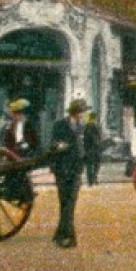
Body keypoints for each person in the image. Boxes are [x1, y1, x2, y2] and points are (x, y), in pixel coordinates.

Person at [48, 95, 87, 249]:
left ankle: (66, 235)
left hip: (76, 169)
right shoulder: (59, 125)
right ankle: (65, 234)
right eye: (80, 112)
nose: (81, 115)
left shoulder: (82, 126)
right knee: (65, 203)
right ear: (74, 113)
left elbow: (83, 146)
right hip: (62, 169)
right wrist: (59, 146)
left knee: (70, 203)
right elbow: (53, 144)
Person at [0, 98, 38, 204]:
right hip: (13, 153)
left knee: (21, 173)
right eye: (15, 115)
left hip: (25, 153)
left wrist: (26, 146)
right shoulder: (11, 126)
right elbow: (6, 141)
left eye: (19, 115)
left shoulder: (28, 125)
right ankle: (11, 194)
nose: (17, 117)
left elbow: (34, 141)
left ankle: (25, 196)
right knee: (11, 172)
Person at [82, 112, 103, 187]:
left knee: (90, 165)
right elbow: (99, 137)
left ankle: (91, 180)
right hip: (95, 148)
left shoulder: (87, 126)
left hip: (89, 148)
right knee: (96, 164)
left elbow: (85, 138)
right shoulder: (96, 126)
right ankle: (94, 178)